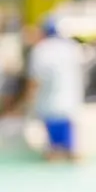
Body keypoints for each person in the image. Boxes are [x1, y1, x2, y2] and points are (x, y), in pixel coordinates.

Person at [21, 20, 86, 162]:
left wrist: (28, 99)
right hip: (70, 101)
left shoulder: (41, 50)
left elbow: (35, 79)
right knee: (71, 151)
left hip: (49, 103)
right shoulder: (71, 47)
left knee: (53, 153)